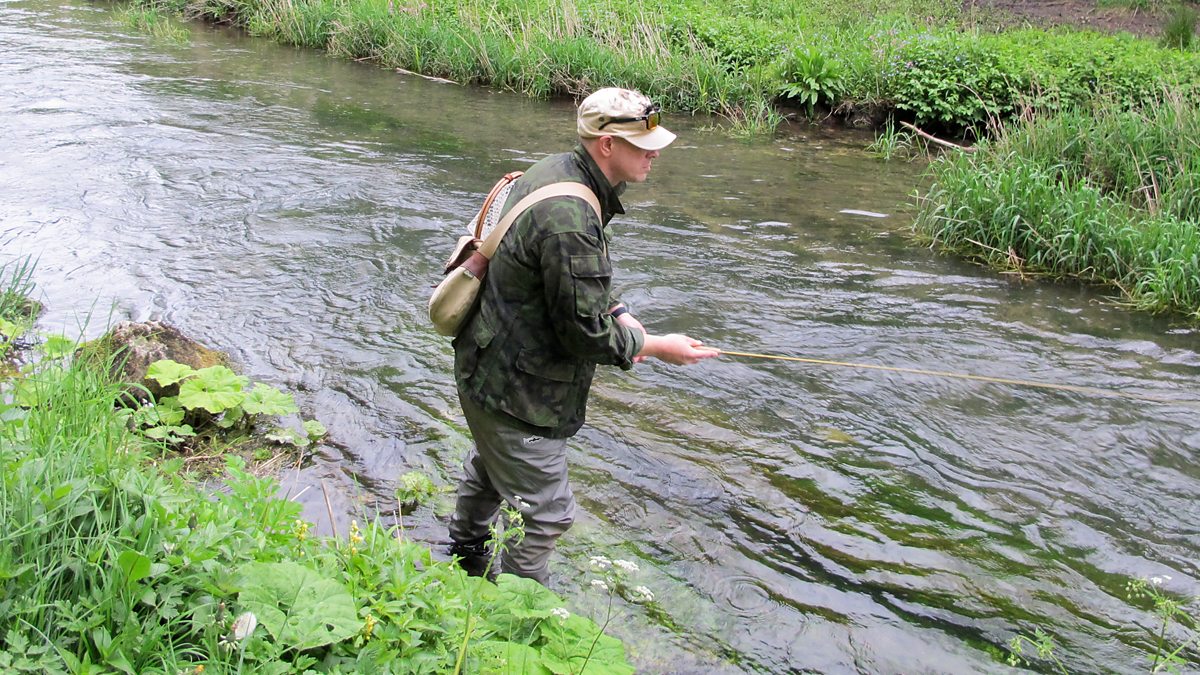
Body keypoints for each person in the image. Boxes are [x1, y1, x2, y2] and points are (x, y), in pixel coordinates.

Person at [446, 87, 719, 585]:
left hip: (485, 366)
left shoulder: (557, 171)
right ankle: (516, 617)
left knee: (491, 465)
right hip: (518, 394)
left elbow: (563, 281)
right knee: (549, 515)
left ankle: (462, 554)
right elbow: (584, 334)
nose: (655, 152)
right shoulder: (572, 217)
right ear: (606, 144)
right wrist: (656, 346)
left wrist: (617, 310)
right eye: (642, 143)